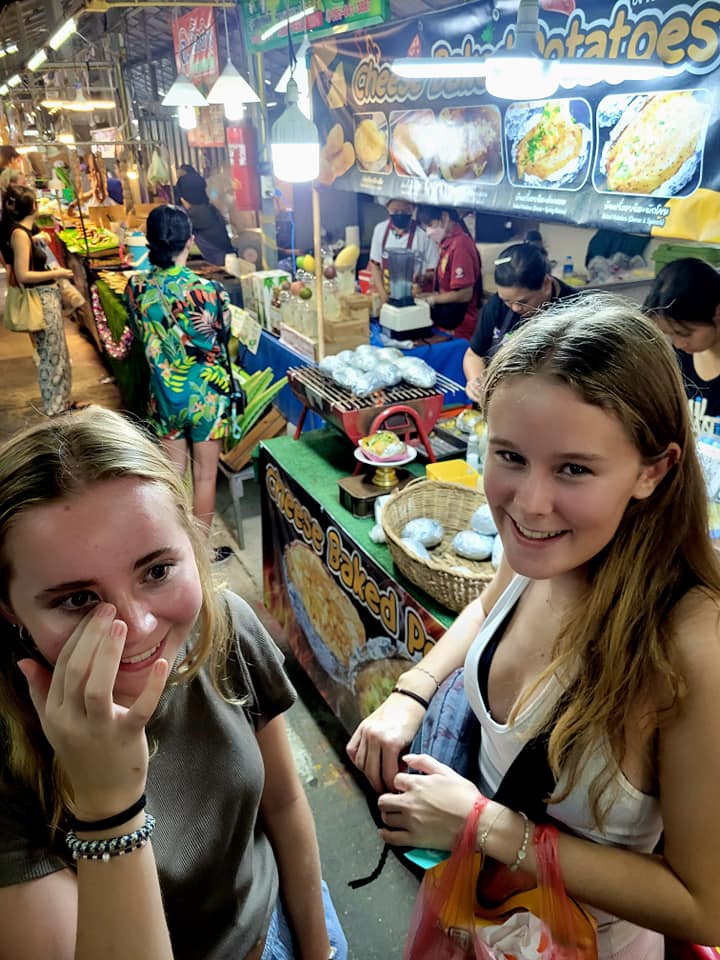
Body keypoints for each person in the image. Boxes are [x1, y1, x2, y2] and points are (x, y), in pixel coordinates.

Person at [348, 293, 720, 958]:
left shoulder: (692, 644)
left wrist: (486, 824)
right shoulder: (542, 553)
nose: (528, 503)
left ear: (653, 470)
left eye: (573, 469)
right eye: (510, 456)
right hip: (481, 917)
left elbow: (703, 906)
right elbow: (485, 608)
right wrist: (415, 690)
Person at [0, 405, 347, 960]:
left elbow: (281, 806)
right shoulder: (9, 753)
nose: (136, 628)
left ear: (191, 542)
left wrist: (318, 950)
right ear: (10, 609)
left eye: (157, 570)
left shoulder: (223, 625)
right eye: (77, 600)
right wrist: (107, 804)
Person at [125, 204, 234, 559]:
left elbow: (139, 332)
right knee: (205, 477)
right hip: (206, 394)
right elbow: (224, 334)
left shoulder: (136, 288)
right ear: (190, 240)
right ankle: (199, 555)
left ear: (149, 241)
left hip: (165, 395)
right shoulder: (212, 291)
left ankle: (172, 552)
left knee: (172, 476)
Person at [462, 238, 575, 402]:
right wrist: (476, 382)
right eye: (507, 301)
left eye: (523, 302)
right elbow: (474, 355)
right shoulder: (497, 305)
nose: (514, 308)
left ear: (545, 283)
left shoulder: (576, 312)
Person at [0, 184, 76, 416]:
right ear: (33, 207)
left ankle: (62, 403)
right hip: (41, 299)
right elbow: (23, 274)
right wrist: (58, 273)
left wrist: (36, 239)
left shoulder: (22, 232)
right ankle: (55, 409)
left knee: (57, 353)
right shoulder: (20, 234)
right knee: (51, 356)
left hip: (45, 297)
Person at [643, 257, 720, 436]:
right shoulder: (678, 359)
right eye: (670, 334)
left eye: (685, 333)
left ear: (717, 312)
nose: (678, 344)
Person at [415, 205, 482, 340]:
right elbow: (447, 276)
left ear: (445, 217)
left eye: (430, 224)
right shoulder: (447, 243)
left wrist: (431, 299)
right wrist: (428, 278)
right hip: (444, 321)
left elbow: (465, 294)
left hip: (459, 326)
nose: (428, 232)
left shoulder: (461, 245)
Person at [368, 198, 439, 307]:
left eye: (406, 211)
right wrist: (383, 295)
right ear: (387, 208)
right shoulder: (380, 230)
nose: (400, 214)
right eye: (395, 211)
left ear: (413, 208)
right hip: (387, 296)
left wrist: (423, 278)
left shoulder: (424, 234)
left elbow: (433, 271)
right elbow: (375, 266)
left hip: (414, 300)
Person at [174, 163, 235, 266]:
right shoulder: (207, 208)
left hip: (220, 265)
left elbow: (172, 232)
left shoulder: (196, 214)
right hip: (225, 261)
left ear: (184, 196)